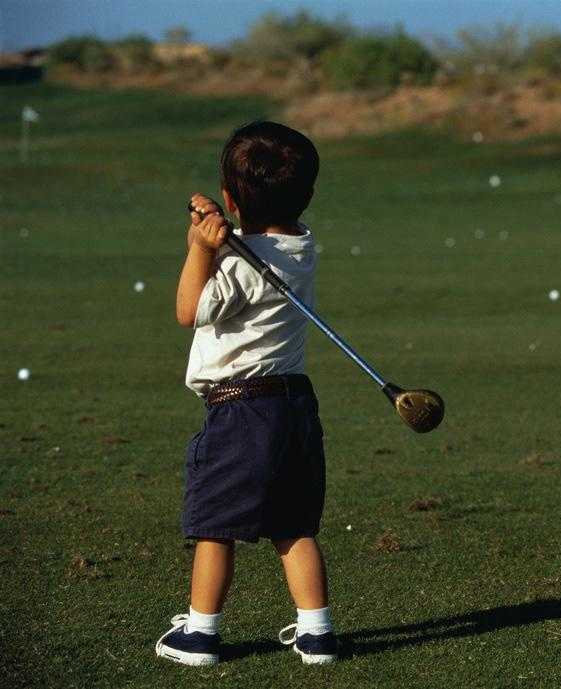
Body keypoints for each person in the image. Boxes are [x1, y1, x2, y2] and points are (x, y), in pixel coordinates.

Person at [155, 121, 338, 666]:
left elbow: (190, 309)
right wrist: (226, 225)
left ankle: (201, 634)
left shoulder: (236, 265)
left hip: (240, 409)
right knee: (293, 526)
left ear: (233, 200)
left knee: (215, 527)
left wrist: (199, 248)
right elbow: (262, 237)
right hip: (293, 406)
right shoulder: (300, 247)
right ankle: (317, 633)